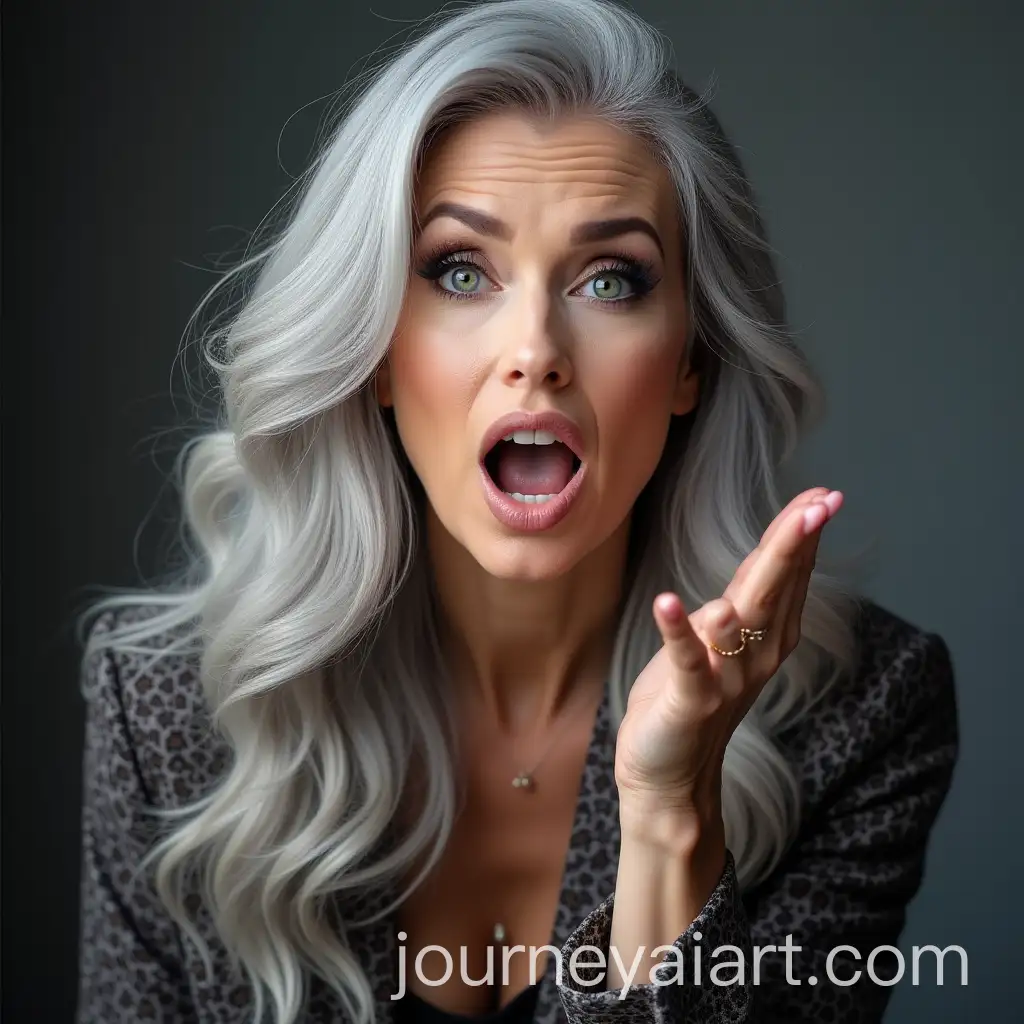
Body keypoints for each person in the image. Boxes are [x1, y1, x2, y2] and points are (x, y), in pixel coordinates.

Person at [74, 0, 958, 1021]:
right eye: (460, 271)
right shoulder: (170, 711)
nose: (534, 348)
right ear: (375, 352)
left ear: (691, 360)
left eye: (609, 280)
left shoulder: (858, 716)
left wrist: (670, 819)